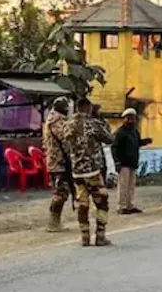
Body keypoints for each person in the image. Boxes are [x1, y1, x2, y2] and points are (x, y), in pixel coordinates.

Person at [64, 98, 114, 246]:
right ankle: (100, 235)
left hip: (77, 172)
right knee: (101, 202)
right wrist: (102, 121)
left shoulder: (68, 125)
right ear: (89, 108)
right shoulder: (93, 124)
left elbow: (65, 144)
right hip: (93, 171)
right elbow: (109, 138)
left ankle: (85, 237)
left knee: (82, 204)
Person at [111, 108, 153, 215]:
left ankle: (130, 205)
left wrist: (145, 141)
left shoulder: (135, 132)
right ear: (124, 119)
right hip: (123, 163)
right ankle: (121, 206)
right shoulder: (120, 132)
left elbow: (137, 143)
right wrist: (117, 162)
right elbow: (114, 148)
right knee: (123, 185)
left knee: (131, 186)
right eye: (128, 118)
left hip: (133, 162)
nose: (131, 121)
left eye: (133, 118)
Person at [42, 96, 73, 233]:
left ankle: (55, 221)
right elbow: (66, 139)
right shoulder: (56, 121)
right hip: (58, 162)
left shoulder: (53, 119)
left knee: (62, 191)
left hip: (58, 161)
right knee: (61, 191)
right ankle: (53, 222)